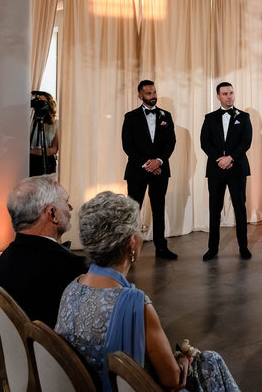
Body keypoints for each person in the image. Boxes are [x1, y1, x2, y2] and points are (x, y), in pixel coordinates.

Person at [56, 192, 240, 392]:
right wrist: (182, 360)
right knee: (210, 360)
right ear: (131, 244)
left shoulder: (72, 288)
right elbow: (172, 380)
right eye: (141, 229)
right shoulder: (136, 304)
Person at [0, 175, 87, 326]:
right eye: (66, 202)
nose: (70, 209)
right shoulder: (71, 268)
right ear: (52, 214)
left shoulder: (4, 259)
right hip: (55, 349)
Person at [122, 80, 178, 260]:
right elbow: (128, 145)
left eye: (154, 92)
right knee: (133, 209)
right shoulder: (130, 117)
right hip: (137, 170)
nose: (152, 96)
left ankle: (161, 247)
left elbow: (171, 142)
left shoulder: (166, 116)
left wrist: (159, 161)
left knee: (159, 207)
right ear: (140, 96)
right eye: (148, 93)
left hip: (160, 170)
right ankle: (129, 248)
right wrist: (147, 163)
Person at [199, 82, 252, 261]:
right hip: (216, 170)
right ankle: (212, 248)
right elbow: (204, 143)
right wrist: (219, 160)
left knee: (240, 208)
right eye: (225, 94)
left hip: (237, 169)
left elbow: (246, 142)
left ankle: (243, 247)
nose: (229, 96)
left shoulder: (244, 117)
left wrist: (230, 158)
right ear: (218, 96)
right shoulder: (209, 118)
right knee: (215, 209)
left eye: (231, 93)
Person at [30, 91, 60, 176]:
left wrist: (31, 151)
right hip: (29, 161)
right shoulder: (29, 121)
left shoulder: (55, 124)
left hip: (48, 162)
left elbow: (54, 149)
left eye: (42, 102)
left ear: (48, 105)